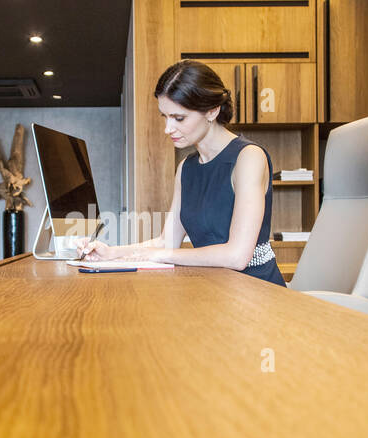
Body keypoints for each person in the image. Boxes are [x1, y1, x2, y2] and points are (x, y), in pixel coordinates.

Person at [80, 59, 286, 286]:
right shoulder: (186, 168)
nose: (168, 129)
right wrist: (111, 253)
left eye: (179, 118)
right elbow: (167, 241)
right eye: (165, 117)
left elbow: (237, 256)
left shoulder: (249, 157)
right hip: (214, 287)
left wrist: (160, 256)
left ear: (212, 111)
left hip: (255, 289)